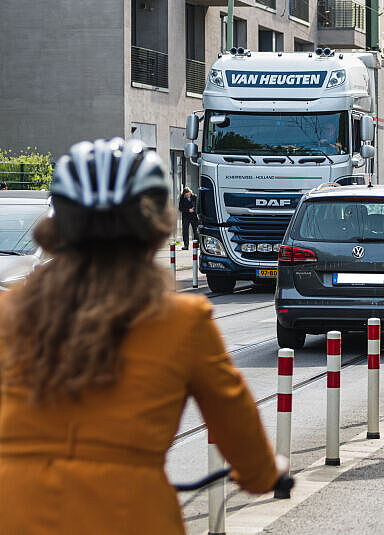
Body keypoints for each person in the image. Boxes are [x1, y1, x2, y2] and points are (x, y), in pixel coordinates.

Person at [0, 138, 286, 534]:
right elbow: (233, 418)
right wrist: (264, 474)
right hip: (132, 515)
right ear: (153, 231)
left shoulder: (7, 316)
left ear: (55, 227)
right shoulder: (181, 321)